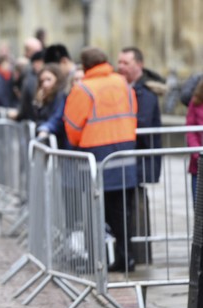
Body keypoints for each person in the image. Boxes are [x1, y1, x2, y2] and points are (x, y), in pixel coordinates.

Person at [64, 47, 138, 273]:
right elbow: (133, 112)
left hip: (97, 157)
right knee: (122, 211)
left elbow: (73, 127)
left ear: (85, 66)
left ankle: (97, 261)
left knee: (95, 212)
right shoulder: (122, 83)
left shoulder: (83, 88)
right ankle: (127, 257)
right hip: (125, 153)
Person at [117, 47, 164, 264]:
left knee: (136, 209)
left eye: (126, 63)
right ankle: (131, 254)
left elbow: (141, 122)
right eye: (119, 62)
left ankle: (140, 256)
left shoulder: (145, 92)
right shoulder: (125, 88)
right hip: (127, 162)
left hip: (139, 162)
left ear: (139, 65)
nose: (121, 67)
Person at [32, 63, 67, 147]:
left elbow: (58, 117)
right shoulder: (45, 97)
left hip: (60, 142)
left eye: (48, 79)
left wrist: (45, 129)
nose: (45, 84)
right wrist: (39, 103)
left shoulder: (60, 95)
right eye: (42, 81)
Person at [186, 78, 203, 203]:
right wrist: (198, 152)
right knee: (199, 210)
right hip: (198, 165)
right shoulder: (196, 101)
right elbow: (190, 129)